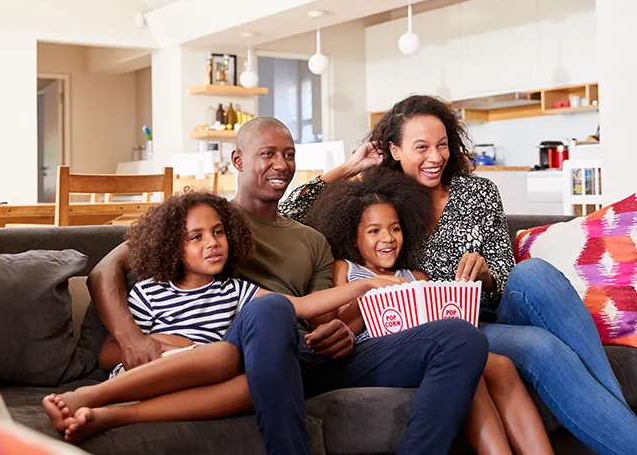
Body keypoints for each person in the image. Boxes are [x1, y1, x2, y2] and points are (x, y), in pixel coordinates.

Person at [86, 116, 489, 455]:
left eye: (289, 155)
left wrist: (340, 330)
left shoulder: (310, 238)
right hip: (241, 352)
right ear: (238, 160)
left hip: (308, 356)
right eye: (268, 154)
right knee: (271, 308)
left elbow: (322, 314)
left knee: (461, 339)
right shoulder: (204, 220)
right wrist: (134, 339)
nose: (281, 164)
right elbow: (104, 272)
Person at [281, 95, 637, 455]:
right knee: (540, 347)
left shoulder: (478, 192)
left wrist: (485, 274)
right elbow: (288, 211)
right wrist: (349, 166)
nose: (435, 157)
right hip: (452, 329)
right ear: (395, 149)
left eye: (442, 145)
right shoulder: (383, 205)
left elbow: (504, 269)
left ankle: (618, 416)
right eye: (421, 147)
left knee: (534, 273)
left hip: (493, 310)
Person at [43, 190, 433, 441]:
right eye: (196, 237)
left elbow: (297, 307)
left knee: (256, 384)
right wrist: (176, 347)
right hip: (152, 376)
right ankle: (90, 396)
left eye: (218, 233)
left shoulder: (234, 290)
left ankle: (110, 418)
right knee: (223, 355)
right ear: (172, 247)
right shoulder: (150, 290)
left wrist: (364, 287)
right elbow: (110, 354)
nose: (212, 244)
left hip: (209, 384)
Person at [306, 168, 553, 455]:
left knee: (499, 365)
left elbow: (440, 320)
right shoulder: (345, 270)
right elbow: (341, 327)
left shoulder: (416, 277)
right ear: (352, 235)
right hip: (378, 353)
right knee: (468, 366)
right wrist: (372, 293)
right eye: (374, 231)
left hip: (427, 349)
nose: (387, 238)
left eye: (395, 228)